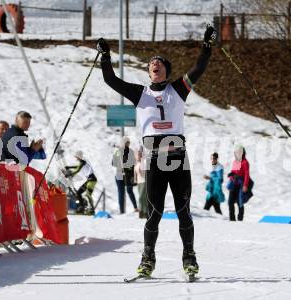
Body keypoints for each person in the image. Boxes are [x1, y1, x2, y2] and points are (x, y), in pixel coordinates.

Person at [97, 25, 217, 278]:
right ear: (148, 71)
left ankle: (189, 258)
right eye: (152, 63)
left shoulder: (178, 89)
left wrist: (207, 44)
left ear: (166, 71)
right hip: (154, 160)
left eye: (160, 63)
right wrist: (106, 56)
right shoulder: (140, 93)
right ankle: (147, 259)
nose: (155, 64)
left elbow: (200, 67)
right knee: (154, 214)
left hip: (177, 158)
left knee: (184, 212)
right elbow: (110, 79)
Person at [62, 150, 97, 215]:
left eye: (76, 157)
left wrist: (69, 174)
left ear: (79, 156)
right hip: (89, 180)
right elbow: (77, 167)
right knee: (78, 193)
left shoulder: (83, 162)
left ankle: (92, 210)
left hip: (92, 180)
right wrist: (69, 167)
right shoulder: (82, 162)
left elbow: (77, 169)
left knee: (88, 195)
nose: (76, 158)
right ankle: (82, 208)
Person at [226, 145, 254, 221]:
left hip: (241, 185)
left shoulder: (245, 162)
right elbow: (233, 171)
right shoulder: (235, 161)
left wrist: (245, 185)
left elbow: (247, 174)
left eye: (239, 152)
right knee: (230, 202)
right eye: (236, 152)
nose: (237, 154)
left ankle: (240, 219)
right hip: (234, 184)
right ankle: (232, 219)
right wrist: (231, 175)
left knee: (240, 202)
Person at [112, 136, 138, 214]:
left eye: (128, 142)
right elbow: (113, 163)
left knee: (127, 191)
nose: (128, 144)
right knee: (123, 192)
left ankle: (134, 208)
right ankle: (123, 211)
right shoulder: (121, 151)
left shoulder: (128, 151)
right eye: (127, 142)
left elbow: (133, 163)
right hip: (123, 173)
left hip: (125, 174)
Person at [134, 146, 147, 219]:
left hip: (144, 181)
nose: (138, 155)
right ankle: (142, 212)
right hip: (139, 182)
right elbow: (135, 173)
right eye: (137, 154)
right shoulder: (137, 163)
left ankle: (143, 212)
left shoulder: (144, 162)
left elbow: (144, 172)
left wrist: (141, 171)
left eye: (139, 154)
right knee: (141, 198)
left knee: (142, 197)